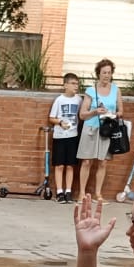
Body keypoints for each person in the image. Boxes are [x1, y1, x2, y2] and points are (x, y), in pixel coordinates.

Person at [77, 59, 122, 201]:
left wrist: (113, 114)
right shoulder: (91, 90)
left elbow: (121, 111)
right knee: (86, 161)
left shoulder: (116, 90)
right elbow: (82, 115)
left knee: (103, 162)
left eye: (109, 73)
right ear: (98, 74)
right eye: (104, 73)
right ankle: (82, 193)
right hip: (91, 127)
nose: (107, 75)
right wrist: (95, 111)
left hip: (107, 129)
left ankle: (98, 194)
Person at [48, 72, 83, 202]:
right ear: (65, 85)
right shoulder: (59, 100)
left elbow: (81, 114)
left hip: (73, 135)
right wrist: (60, 122)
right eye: (73, 83)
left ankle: (68, 191)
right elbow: (51, 118)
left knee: (70, 165)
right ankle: (59, 191)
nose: (76, 86)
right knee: (59, 165)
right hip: (60, 136)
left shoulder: (79, 100)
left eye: (77, 84)